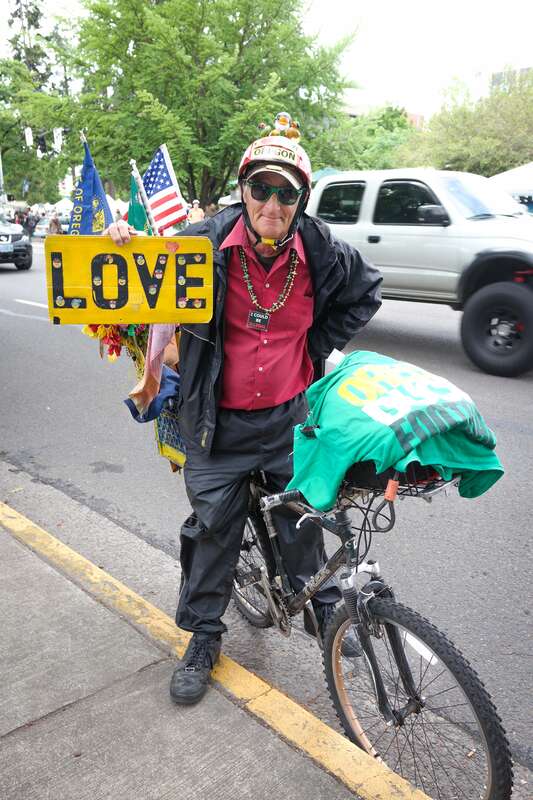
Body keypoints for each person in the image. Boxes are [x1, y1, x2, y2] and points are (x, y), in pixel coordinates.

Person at [106, 124, 382, 705]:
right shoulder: (201, 242)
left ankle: (323, 610)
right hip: (215, 424)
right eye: (262, 189)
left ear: (301, 199)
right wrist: (121, 243)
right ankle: (204, 636)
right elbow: (137, 280)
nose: (273, 205)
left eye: (287, 194)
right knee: (213, 533)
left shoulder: (322, 248)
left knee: (307, 518)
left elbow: (365, 290)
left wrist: (313, 345)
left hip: (287, 421)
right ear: (243, 190)